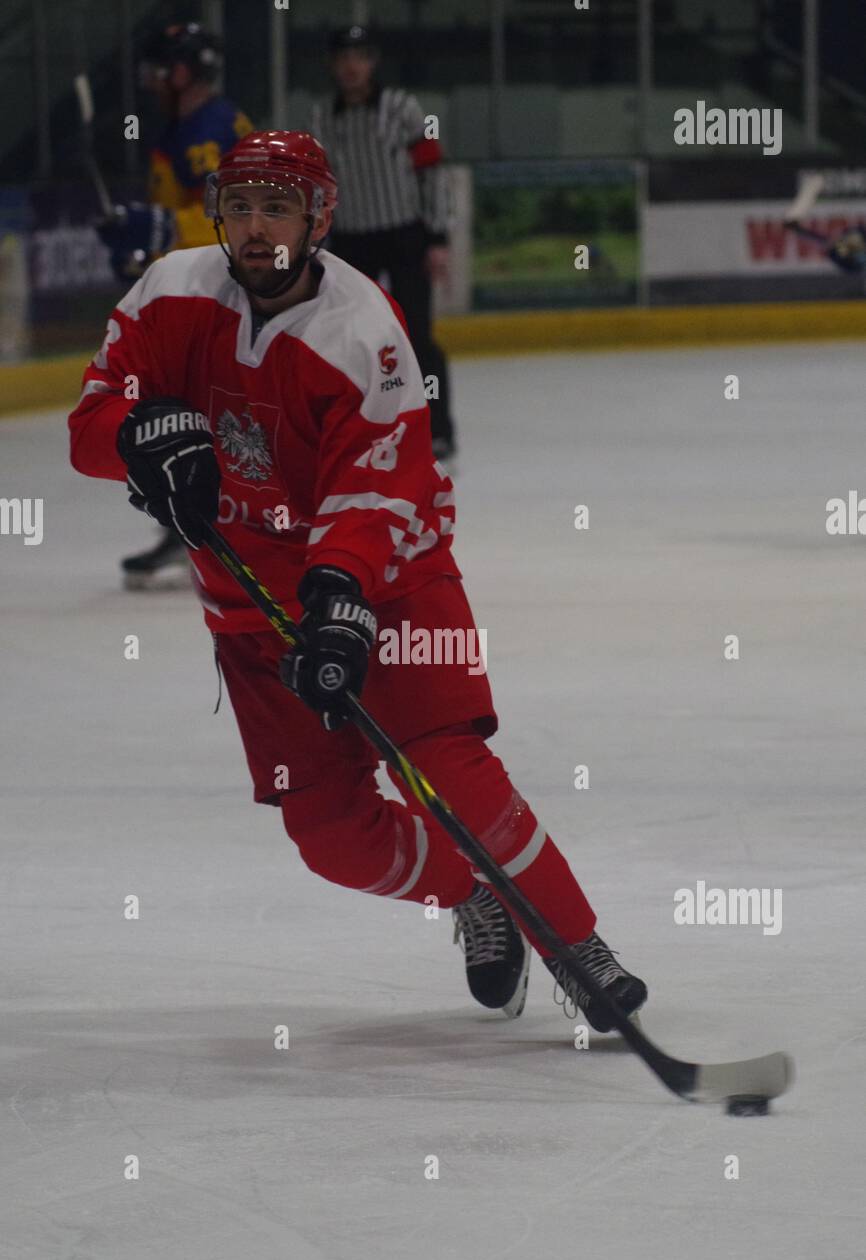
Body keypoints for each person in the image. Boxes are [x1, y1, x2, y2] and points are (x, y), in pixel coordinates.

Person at [69, 130, 647, 1031]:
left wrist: (340, 597)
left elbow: (379, 487)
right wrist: (135, 438)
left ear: (320, 218)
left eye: (278, 208)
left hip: (393, 584)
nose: (256, 228)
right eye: (240, 207)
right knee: (332, 838)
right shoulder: (172, 293)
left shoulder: (364, 331)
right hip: (250, 610)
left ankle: (577, 948)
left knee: (449, 769)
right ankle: (475, 894)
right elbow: (91, 420)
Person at [97, 21, 253, 591]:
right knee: (187, 411)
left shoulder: (210, 130)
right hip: (202, 295)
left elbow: (234, 217)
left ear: (185, 71)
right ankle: (191, 520)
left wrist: (162, 229)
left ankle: (220, 522)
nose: (153, 78)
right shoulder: (182, 128)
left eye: (163, 67)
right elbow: (185, 221)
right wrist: (140, 244)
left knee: (211, 411)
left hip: (226, 298)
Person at [312, 25, 456, 462]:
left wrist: (437, 237)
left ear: (372, 62)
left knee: (416, 333)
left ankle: (437, 429)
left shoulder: (402, 108)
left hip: (405, 235)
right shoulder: (321, 117)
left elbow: (431, 169)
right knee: (352, 339)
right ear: (333, 65)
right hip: (352, 242)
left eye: (360, 56)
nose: (352, 66)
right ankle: (361, 427)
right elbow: (319, 183)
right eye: (343, 57)